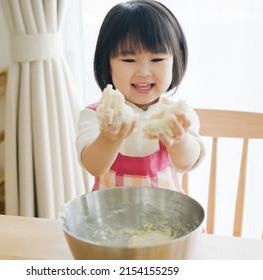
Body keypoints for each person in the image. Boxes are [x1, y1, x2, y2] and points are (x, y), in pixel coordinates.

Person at [76, 0, 205, 192]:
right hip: (111, 218)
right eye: (129, 59)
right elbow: (94, 166)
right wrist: (108, 138)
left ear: (176, 60)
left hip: (166, 218)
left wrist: (180, 140)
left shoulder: (179, 116)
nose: (144, 72)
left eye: (157, 59)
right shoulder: (96, 115)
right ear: (107, 63)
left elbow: (187, 162)